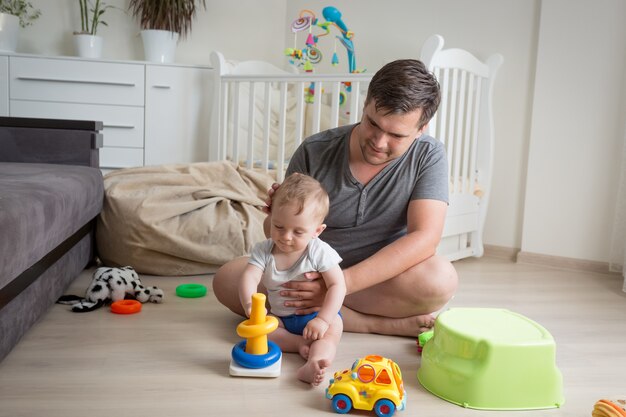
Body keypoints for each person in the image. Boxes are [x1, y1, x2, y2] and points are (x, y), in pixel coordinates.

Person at [213, 58, 458, 338]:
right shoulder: (315, 150)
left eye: (395, 135)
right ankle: (372, 323)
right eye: (372, 124)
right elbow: (276, 237)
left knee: (440, 279)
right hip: (307, 272)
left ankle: (328, 306)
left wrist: (336, 285)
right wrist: (277, 217)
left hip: (379, 277)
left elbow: (425, 238)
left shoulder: (428, 155)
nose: (379, 142)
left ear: (421, 129)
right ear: (365, 104)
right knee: (227, 280)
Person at [238, 173, 346, 386]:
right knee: (265, 332)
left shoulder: (319, 251)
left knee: (332, 331)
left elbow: (338, 285)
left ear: (317, 231)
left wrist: (322, 320)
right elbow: (249, 276)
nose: (286, 236)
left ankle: (314, 363)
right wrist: (250, 304)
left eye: (298, 231)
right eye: (278, 227)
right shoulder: (264, 250)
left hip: (316, 315)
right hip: (281, 318)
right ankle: (298, 344)